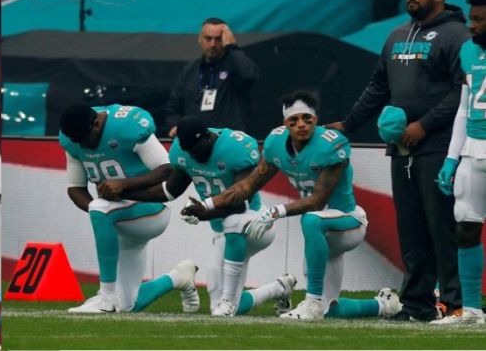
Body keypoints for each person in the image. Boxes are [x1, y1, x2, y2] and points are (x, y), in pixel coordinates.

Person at [326, 0, 469, 321]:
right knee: (412, 231)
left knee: (442, 228)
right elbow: (377, 87)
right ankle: (417, 305)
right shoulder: (396, 36)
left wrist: (425, 124)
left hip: (441, 148)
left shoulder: (458, 36)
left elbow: (463, 92)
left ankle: (455, 304)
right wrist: (348, 124)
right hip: (402, 151)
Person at [184, 91, 402, 320]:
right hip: (321, 231)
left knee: (311, 219)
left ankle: (312, 302)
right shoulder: (276, 143)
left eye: (307, 119)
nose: (301, 125)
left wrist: (276, 211)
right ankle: (384, 305)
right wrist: (206, 204)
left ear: (316, 120)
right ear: (285, 123)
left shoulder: (330, 144)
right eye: (294, 120)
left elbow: (318, 201)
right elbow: (247, 186)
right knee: (331, 310)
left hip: (347, 222)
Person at [118, 115, 296, 316]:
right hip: (224, 233)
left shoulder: (235, 148)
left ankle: (229, 300)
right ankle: (279, 288)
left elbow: (241, 202)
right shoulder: (183, 152)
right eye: (189, 152)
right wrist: (124, 191)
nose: (194, 156)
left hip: (254, 222)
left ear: (209, 137)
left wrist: (206, 212)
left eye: (197, 150)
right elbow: (169, 191)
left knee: (233, 221)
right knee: (217, 307)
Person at [58, 103, 199, 313]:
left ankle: (105, 296)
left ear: (96, 124)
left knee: (100, 208)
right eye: (77, 141)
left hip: (151, 208)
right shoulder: (73, 139)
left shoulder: (126, 126)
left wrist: (123, 187)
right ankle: (179, 277)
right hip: (120, 216)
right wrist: (101, 216)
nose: (83, 146)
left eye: (85, 139)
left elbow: (167, 169)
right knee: (126, 305)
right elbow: (75, 188)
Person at [432, 0, 486, 325]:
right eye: (473, 19)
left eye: (480, 20)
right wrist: (452, 158)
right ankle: (471, 309)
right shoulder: (468, 51)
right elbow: (464, 111)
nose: (474, 26)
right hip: (473, 151)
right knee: (465, 225)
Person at [165, 17, 259, 137]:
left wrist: (232, 46)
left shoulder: (235, 65)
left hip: (229, 142)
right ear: (199, 39)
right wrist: (175, 125)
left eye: (218, 39)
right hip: (197, 144)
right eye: (208, 38)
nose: (213, 44)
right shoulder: (190, 70)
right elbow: (173, 107)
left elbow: (248, 75)